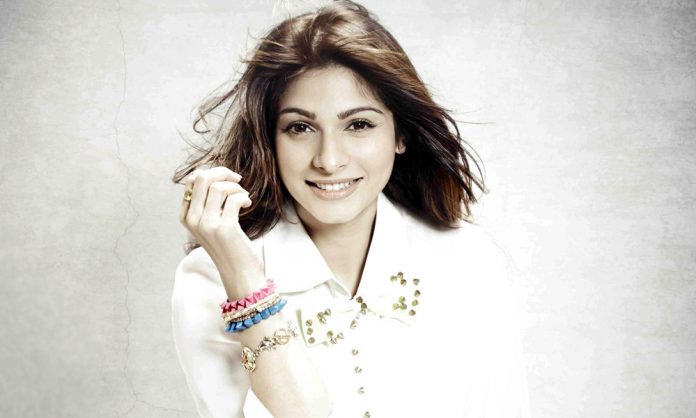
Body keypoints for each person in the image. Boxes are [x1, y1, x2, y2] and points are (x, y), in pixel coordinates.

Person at [171, 1, 530, 417]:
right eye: (300, 127)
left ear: (401, 134)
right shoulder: (211, 280)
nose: (329, 159)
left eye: (359, 125)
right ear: (270, 139)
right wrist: (245, 281)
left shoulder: (468, 259)